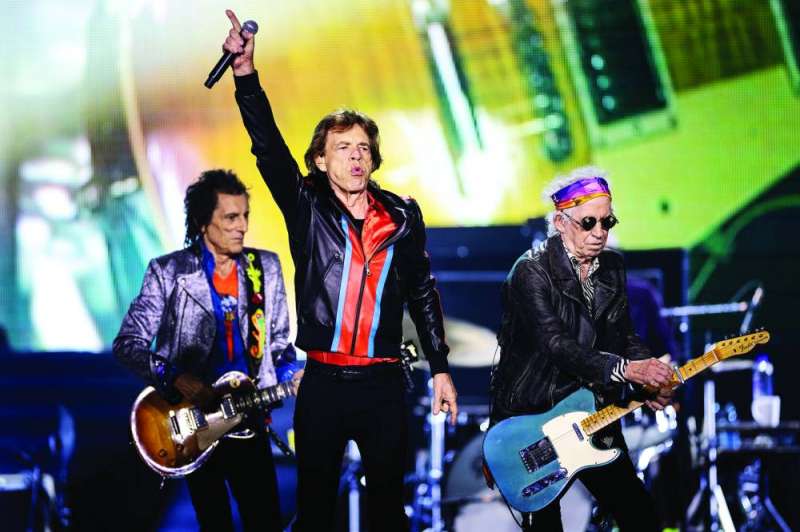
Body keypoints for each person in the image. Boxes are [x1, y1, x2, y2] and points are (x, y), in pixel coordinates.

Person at [220, 10, 459, 531]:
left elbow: (422, 290)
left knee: (388, 515)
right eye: (343, 148)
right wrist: (244, 74)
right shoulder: (306, 207)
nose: (355, 157)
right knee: (315, 514)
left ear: (373, 160)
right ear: (321, 161)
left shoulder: (401, 216)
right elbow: (268, 148)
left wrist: (440, 367)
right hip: (324, 383)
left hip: (383, 383)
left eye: (363, 149)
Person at [489, 166, 675, 531]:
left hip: (593, 414)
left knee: (641, 516)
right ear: (561, 222)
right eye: (588, 222)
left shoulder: (612, 267)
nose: (600, 232)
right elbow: (555, 344)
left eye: (608, 222)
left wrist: (649, 376)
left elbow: (624, 335)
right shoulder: (531, 271)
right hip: (533, 419)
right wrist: (627, 369)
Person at [113, 169, 300, 532]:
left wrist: (295, 375)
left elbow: (279, 348)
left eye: (245, 216)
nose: (242, 226)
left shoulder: (264, 268)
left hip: (248, 417)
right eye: (230, 217)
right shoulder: (168, 272)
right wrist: (176, 378)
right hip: (192, 424)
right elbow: (128, 344)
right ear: (202, 223)